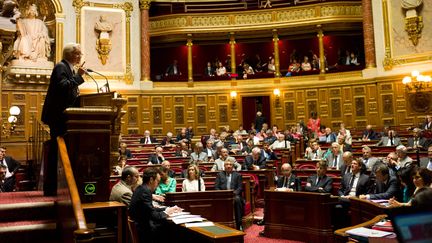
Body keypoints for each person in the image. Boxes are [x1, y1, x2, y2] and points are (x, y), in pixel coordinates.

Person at [41, 43, 86, 196]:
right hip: (59, 118)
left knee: (60, 152)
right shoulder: (61, 67)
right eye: (77, 54)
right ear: (68, 54)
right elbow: (63, 87)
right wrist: (79, 76)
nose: (80, 56)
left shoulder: (67, 68)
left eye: (80, 54)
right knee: (56, 152)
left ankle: (56, 188)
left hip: (64, 117)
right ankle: (52, 188)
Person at [129, 168, 182, 243]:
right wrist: (167, 213)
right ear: (151, 180)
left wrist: (167, 208)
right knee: (174, 231)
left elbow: (149, 210)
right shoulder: (145, 191)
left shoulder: (140, 188)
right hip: (144, 231)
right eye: (157, 181)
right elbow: (154, 215)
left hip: (141, 226)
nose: (158, 184)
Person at [214, 159, 244, 230]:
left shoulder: (238, 175)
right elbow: (216, 187)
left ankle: (239, 223)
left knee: (237, 200)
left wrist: (233, 193)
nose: (228, 166)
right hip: (222, 195)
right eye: (227, 165)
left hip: (234, 195)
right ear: (224, 166)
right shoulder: (219, 175)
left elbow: (240, 188)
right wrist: (222, 193)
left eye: (230, 165)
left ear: (233, 166)